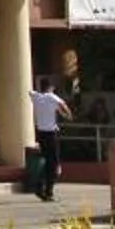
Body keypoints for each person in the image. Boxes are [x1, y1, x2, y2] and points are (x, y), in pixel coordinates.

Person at [28, 75, 69, 204]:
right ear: (51, 87)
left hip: (41, 133)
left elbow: (30, 92)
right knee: (54, 163)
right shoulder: (51, 97)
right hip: (51, 134)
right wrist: (67, 114)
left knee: (47, 160)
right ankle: (47, 190)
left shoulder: (36, 97)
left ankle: (41, 187)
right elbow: (63, 106)